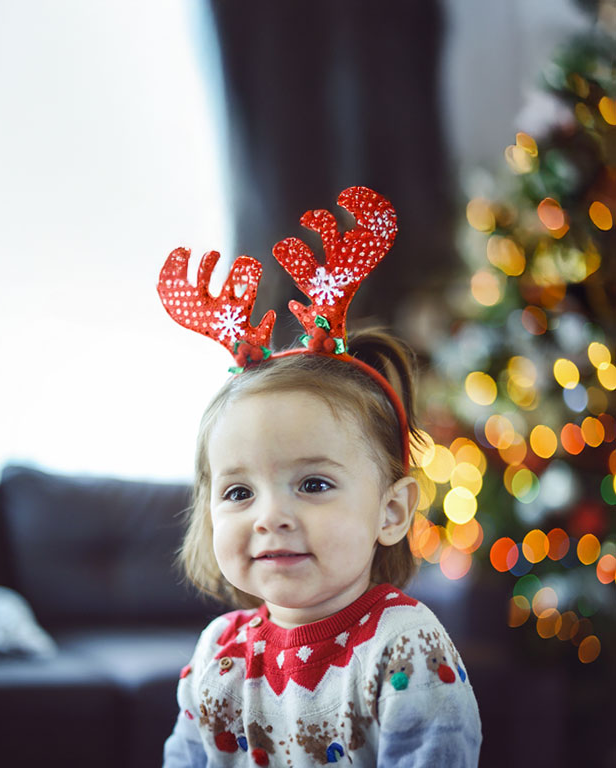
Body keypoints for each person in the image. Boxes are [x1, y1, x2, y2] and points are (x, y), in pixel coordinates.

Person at [156, 187, 482, 766]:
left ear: (392, 512)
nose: (270, 516)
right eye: (238, 492)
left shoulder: (405, 647)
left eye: (312, 484)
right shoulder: (219, 654)